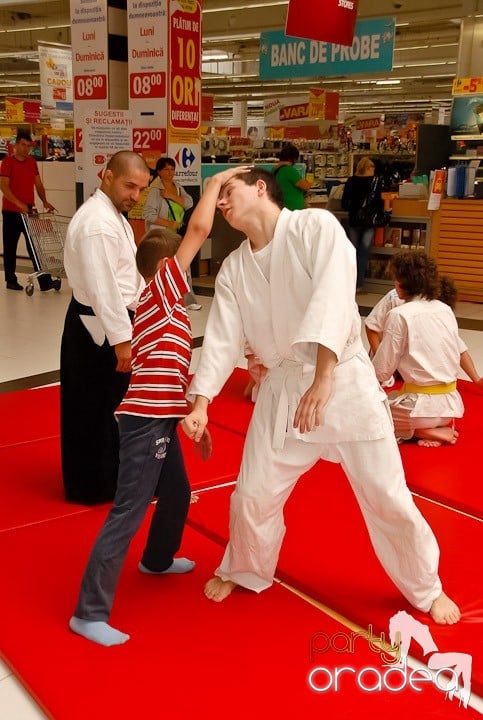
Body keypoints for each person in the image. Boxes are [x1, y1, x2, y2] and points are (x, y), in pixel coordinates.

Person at [182, 167, 460, 625]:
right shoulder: (234, 268)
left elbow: (334, 295)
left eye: (226, 191)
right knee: (252, 493)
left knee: (387, 497)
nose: (222, 204)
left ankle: (426, 587)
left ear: (259, 187)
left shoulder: (314, 226)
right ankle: (246, 567)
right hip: (286, 386)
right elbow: (222, 337)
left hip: (344, 379)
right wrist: (202, 402)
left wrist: (325, 375)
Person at [68, 165, 248, 647]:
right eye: (182, 269)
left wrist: (193, 413)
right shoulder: (158, 296)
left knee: (176, 492)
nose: (186, 278)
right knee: (127, 509)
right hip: (144, 423)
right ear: (168, 272)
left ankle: (159, 558)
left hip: (161, 416)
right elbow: (199, 230)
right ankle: (88, 612)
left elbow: (169, 374)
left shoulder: (166, 311)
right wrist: (211, 188)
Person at [60, 151, 151, 505]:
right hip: (98, 325)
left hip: (112, 321)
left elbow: (126, 276)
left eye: (141, 189)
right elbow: (104, 289)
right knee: (93, 406)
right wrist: (122, 341)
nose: (135, 195)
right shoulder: (97, 223)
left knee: (110, 404)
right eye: (130, 186)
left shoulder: (114, 216)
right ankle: (91, 486)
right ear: (107, 175)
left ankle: (109, 478)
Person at [372, 250, 483, 447]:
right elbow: (458, 350)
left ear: (402, 283)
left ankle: (422, 430)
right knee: (393, 399)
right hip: (451, 407)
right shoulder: (444, 309)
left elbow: (381, 370)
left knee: (370, 412)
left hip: (420, 411)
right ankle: (434, 428)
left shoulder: (400, 314)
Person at [0, 130, 58, 292]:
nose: (26, 149)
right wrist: (18, 204)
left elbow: (38, 185)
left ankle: (45, 282)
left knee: (35, 247)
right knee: (10, 247)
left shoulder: (32, 162)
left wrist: (45, 201)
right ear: (16, 145)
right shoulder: (7, 162)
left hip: (30, 211)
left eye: (29, 146)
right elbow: (3, 185)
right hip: (11, 212)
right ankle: (10, 280)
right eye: (23, 145)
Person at [143, 156, 201, 310]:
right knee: (160, 268)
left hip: (176, 234)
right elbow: (148, 214)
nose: (170, 172)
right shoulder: (155, 191)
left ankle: (188, 300)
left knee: (184, 265)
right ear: (159, 172)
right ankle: (158, 299)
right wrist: (169, 223)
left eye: (172, 169)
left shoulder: (177, 187)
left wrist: (171, 196)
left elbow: (189, 203)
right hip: (161, 235)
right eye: (166, 169)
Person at [341, 156, 383, 292]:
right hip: (369, 222)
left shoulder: (351, 181)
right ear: (369, 168)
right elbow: (378, 202)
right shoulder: (375, 182)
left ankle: (348, 282)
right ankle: (359, 284)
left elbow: (344, 202)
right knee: (363, 253)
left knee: (352, 251)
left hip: (354, 220)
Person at [272, 144, 313, 210]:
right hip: (293, 209)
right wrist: (311, 181)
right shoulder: (289, 170)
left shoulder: (275, 169)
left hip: (281, 208)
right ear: (293, 158)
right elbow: (306, 186)